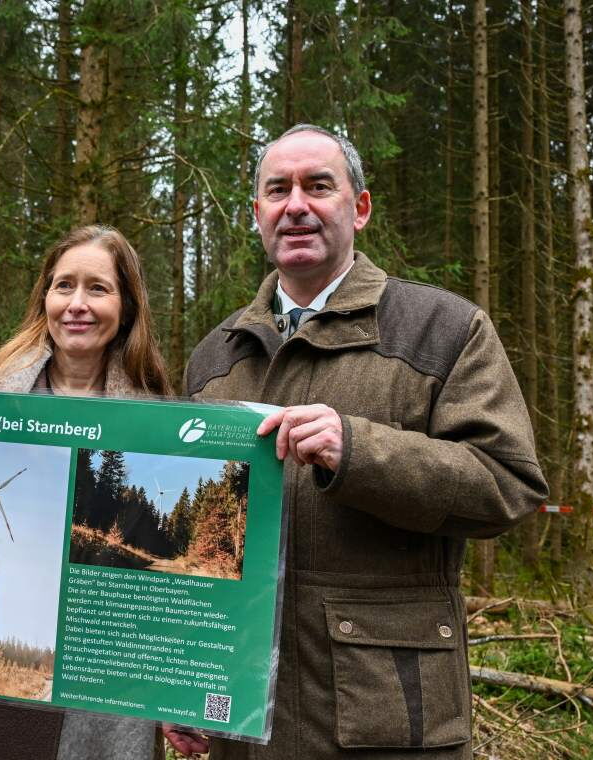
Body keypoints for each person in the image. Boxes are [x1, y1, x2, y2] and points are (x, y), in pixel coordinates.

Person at [185, 124, 547, 759]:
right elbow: (197, 549)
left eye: (318, 186)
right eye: (278, 190)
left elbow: (507, 484)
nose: (295, 204)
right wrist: (182, 684)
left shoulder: (444, 328)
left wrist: (357, 450)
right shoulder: (215, 356)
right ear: (257, 214)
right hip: (244, 722)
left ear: (360, 207)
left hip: (385, 713)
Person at [0, 225, 197, 760]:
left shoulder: (163, 426)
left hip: (103, 702)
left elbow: (168, 600)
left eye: (98, 288)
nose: (77, 305)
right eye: (64, 286)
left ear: (127, 306)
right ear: (45, 297)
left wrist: (184, 696)